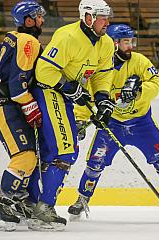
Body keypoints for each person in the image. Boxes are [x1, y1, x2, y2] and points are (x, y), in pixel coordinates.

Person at [68, 24, 159, 224]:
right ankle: (82, 198)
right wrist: (80, 120)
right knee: (94, 164)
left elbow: (155, 83)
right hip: (112, 125)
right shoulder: (100, 66)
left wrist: (139, 91)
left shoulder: (139, 61)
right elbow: (90, 97)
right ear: (114, 43)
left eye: (131, 41)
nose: (130, 46)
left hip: (142, 124)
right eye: (126, 42)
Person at [26, 0, 115, 231]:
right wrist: (67, 85)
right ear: (87, 17)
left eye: (107, 16)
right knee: (65, 149)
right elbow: (44, 71)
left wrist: (104, 99)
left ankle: (31, 203)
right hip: (48, 91)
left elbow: (102, 75)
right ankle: (43, 210)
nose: (107, 21)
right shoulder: (67, 36)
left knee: (49, 152)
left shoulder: (106, 43)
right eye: (102, 17)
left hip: (65, 97)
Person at [0, 1, 46, 231]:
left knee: (30, 156)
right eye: (38, 17)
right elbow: (18, 86)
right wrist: (31, 106)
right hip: (8, 106)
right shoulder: (28, 41)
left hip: (7, 105)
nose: (42, 20)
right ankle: (4, 205)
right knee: (26, 157)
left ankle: (18, 201)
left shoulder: (11, 37)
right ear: (28, 20)